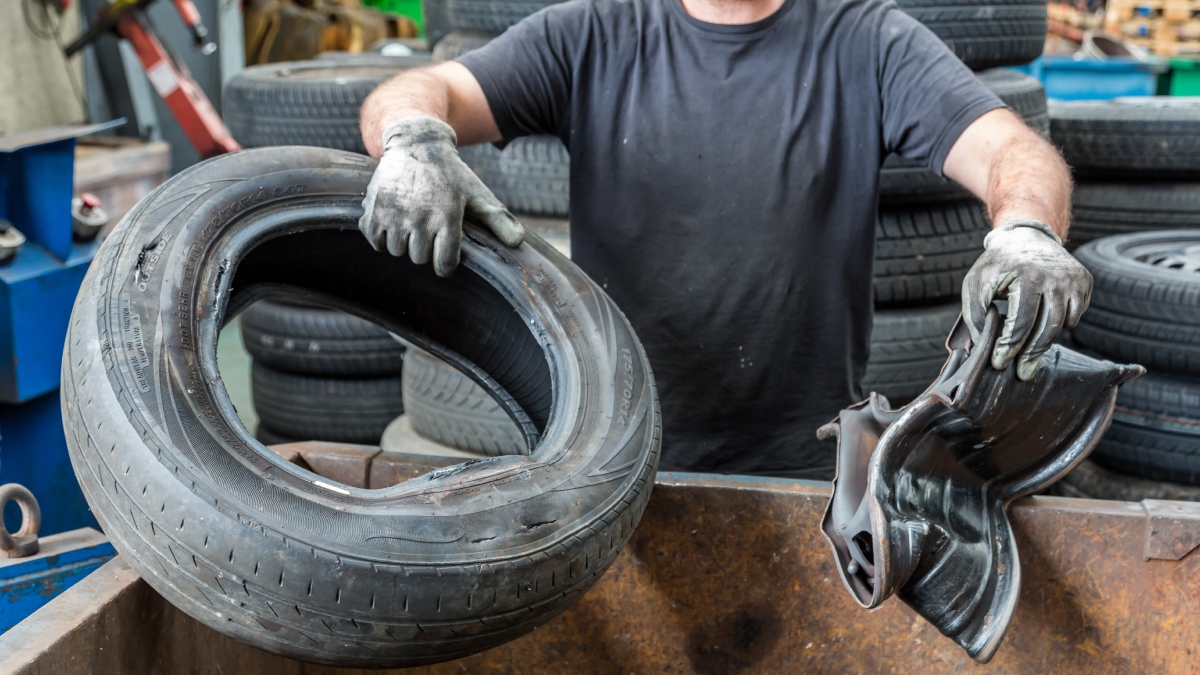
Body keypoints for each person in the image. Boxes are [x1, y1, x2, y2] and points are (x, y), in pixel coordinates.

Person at [356, 0, 1092, 479]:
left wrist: (1026, 228)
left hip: (809, 473)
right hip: (615, 464)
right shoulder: (590, 35)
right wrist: (412, 137)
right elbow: (426, 91)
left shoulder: (868, 41)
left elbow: (1012, 151)